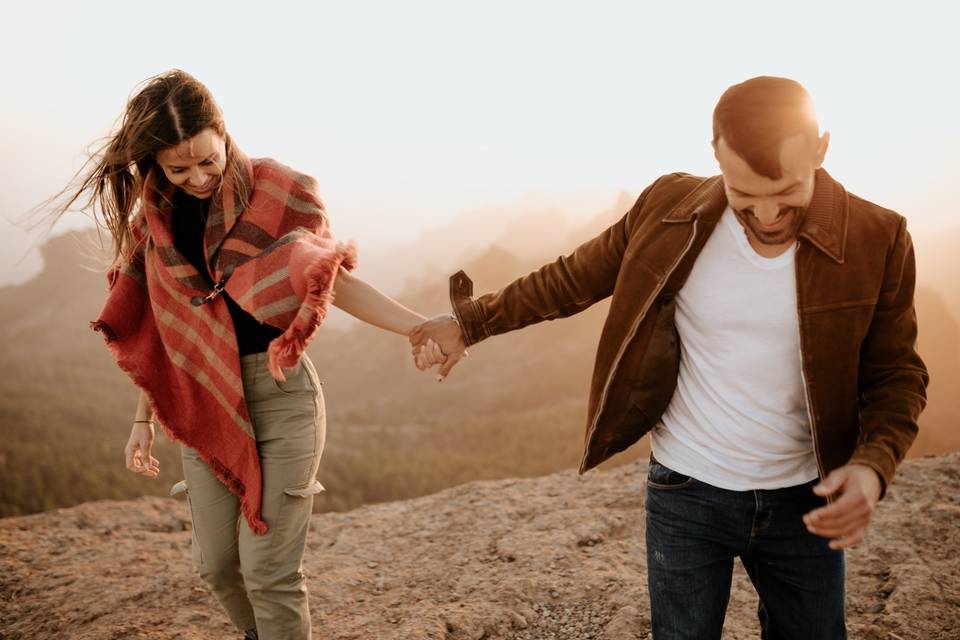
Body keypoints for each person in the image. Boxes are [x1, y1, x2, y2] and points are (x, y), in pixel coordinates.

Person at [410, 76, 929, 639]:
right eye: (744, 192)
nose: (767, 213)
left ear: (822, 148)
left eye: (785, 190)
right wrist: (471, 323)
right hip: (687, 494)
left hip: (806, 499)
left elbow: (897, 374)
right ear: (717, 157)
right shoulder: (668, 208)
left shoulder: (879, 237)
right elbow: (569, 280)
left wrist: (873, 466)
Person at [46, 69, 443, 640]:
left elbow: (330, 277)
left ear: (223, 133)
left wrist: (417, 326)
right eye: (177, 169)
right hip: (201, 399)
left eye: (207, 160)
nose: (198, 178)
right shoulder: (153, 226)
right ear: (153, 162)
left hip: (282, 397)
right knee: (216, 565)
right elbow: (165, 327)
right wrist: (142, 419)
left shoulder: (276, 191)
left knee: (269, 573)